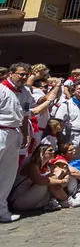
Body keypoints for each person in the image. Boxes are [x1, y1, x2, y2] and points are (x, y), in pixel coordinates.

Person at [0, 63, 33, 222]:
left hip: (15, 132)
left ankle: (2, 210)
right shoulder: (2, 89)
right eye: (21, 74)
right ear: (11, 74)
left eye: (26, 74)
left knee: (8, 173)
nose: (24, 77)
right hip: (1, 130)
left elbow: (26, 114)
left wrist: (26, 133)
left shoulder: (25, 91)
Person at [8, 144, 73, 212]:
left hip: (34, 199)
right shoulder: (32, 165)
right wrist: (62, 181)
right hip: (18, 202)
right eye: (50, 150)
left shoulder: (48, 166)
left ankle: (61, 200)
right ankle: (66, 200)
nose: (53, 152)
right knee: (47, 182)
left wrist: (65, 178)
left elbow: (63, 170)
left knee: (52, 180)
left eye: (53, 150)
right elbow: (40, 180)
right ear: (41, 153)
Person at [52, 81, 80, 160]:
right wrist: (60, 139)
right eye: (79, 89)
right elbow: (58, 121)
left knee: (79, 159)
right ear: (73, 91)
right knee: (69, 158)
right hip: (70, 136)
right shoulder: (66, 104)